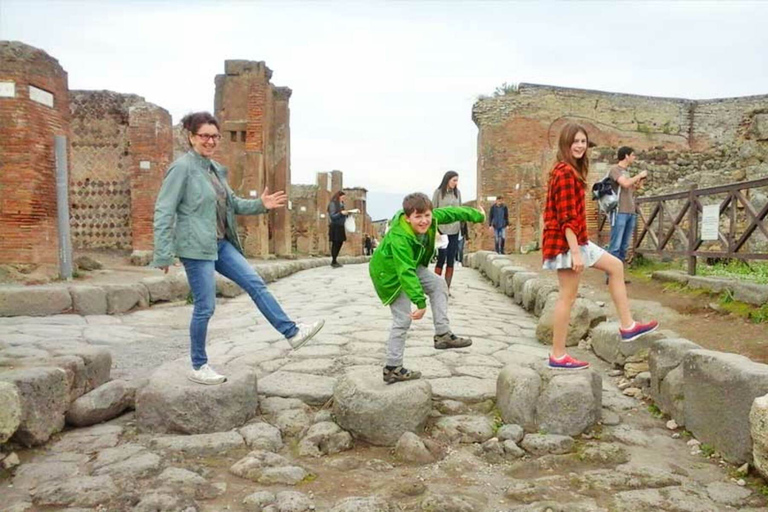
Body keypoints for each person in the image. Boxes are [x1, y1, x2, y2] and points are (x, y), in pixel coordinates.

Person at [152, 112, 324, 385]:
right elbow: (164, 209)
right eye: (204, 136)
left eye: (214, 136)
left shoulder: (215, 170)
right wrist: (162, 252)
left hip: (221, 243)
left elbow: (232, 204)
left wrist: (260, 205)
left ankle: (291, 332)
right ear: (191, 137)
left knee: (255, 282)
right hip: (195, 247)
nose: (210, 141)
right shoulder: (182, 168)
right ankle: (198, 365)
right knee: (205, 307)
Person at [542, 123, 658, 370]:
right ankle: (558, 355)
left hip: (578, 239)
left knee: (615, 266)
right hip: (566, 241)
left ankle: (627, 326)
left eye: (583, 141)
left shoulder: (572, 171)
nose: (580, 146)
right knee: (567, 296)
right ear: (565, 144)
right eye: (575, 141)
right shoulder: (563, 172)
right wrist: (575, 252)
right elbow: (565, 217)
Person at [370, 192, 486, 383]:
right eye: (418, 217)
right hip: (389, 273)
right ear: (408, 218)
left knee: (438, 284)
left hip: (410, 265)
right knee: (402, 319)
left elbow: (452, 213)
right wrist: (419, 302)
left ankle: (442, 335)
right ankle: (392, 367)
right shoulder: (400, 237)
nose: (424, 221)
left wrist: (477, 215)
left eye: (427, 216)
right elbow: (405, 271)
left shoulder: (431, 219)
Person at [606, 146, 647, 284]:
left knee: (624, 247)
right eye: (633, 155)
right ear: (626, 156)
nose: (634, 158)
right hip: (619, 212)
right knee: (615, 246)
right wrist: (639, 175)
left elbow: (633, 188)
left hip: (630, 212)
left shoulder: (626, 172)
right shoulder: (615, 170)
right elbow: (624, 184)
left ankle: (619, 276)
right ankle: (611, 276)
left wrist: (640, 182)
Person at [432, 171, 463, 291]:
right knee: (441, 257)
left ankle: (446, 288)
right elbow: (433, 211)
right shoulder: (438, 193)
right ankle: (435, 287)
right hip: (442, 229)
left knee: (451, 258)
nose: (456, 183)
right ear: (448, 180)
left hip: (454, 229)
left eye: (457, 180)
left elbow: (460, 210)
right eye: (454, 180)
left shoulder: (457, 193)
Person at [327, 191, 348, 268]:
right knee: (335, 243)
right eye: (342, 197)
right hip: (335, 226)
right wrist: (341, 213)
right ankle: (333, 260)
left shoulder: (341, 205)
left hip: (341, 226)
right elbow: (333, 216)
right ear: (338, 197)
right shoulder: (333, 204)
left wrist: (347, 214)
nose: (343, 199)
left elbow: (342, 214)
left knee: (340, 243)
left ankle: (335, 259)